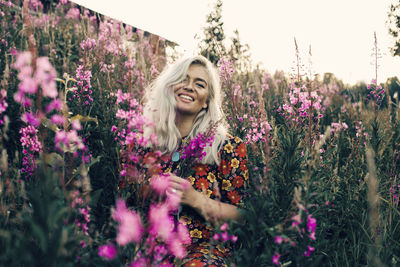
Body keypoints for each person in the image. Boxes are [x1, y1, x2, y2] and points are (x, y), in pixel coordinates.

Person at [143, 55, 249, 266]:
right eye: (182, 79)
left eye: (199, 84)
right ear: (169, 88)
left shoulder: (227, 147)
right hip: (151, 247)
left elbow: (243, 216)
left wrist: (196, 200)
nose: (189, 87)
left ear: (206, 101)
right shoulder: (147, 143)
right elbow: (126, 199)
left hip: (201, 249)